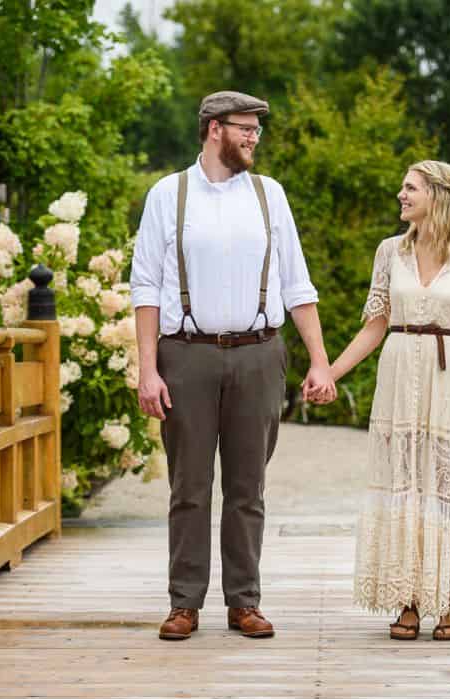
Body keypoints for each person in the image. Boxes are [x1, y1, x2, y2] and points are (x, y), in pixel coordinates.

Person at [130, 91, 335, 643]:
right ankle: (184, 603)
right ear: (215, 128)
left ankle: (245, 602)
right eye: (246, 128)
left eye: (257, 130)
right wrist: (147, 369)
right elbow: (146, 286)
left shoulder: (270, 196)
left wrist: (320, 361)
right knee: (189, 487)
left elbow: (297, 283)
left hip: (259, 354)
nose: (254, 138)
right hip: (185, 355)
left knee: (248, 488)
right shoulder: (166, 196)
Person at [321, 160, 450, 641]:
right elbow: (375, 326)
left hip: (449, 375)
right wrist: (329, 373)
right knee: (403, 482)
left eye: (410, 188)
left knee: (446, 484)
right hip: (397, 375)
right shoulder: (388, 252)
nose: (401, 194)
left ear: (437, 196)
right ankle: (409, 600)